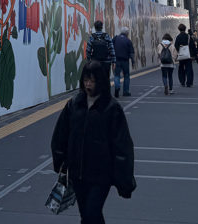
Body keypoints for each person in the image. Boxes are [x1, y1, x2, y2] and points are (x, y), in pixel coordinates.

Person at [51, 61, 136, 223]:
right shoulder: (74, 105)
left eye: (92, 81)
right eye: (85, 80)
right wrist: (60, 161)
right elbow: (61, 135)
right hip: (77, 173)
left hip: (101, 175)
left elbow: (122, 145)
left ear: (101, 81)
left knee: (92, 212)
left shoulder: (111, 108)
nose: (88, 84)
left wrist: (125, 180)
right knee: (87, 215)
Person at [112, 27, 134, 97]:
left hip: (116, 60)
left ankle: (117, 87)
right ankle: (126, 91)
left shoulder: (115, 38)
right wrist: (133, 61)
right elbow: (131, 53)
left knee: (117, 75)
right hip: (125, 61)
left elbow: (111, 48)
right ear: (127, 33)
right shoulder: (128, 41)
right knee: (126, 76)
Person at [174, 23, 194, 87]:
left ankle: (182, 81)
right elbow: (192, 46)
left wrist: (179, 50)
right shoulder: (188, 36)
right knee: (189, 69)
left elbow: (176, 46)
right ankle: (189, 83)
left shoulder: (178, 37)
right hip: (188, 55)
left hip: (181, 55)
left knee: (181, 68)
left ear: (179, 29)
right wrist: (193, 55)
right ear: (185, 29)